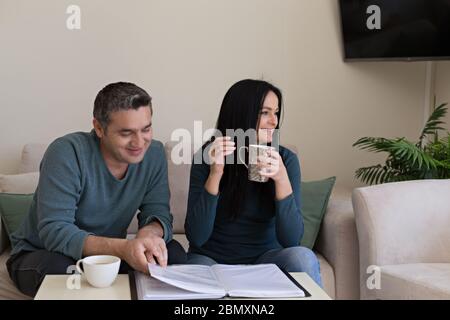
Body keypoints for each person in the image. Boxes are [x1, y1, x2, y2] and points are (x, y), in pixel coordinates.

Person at [7, 82, 186, 297]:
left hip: (107, 257)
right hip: (44, 253)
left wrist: (148, 237)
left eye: (146, 129)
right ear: (99, 128)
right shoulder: (66, 153)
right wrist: (123, 249)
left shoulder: (154, 153)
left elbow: (158, 214)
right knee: (64, 271)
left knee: (172, 254)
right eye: (126, 133)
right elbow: (55, 232)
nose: (139, 142)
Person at [184, 79, 322, 286]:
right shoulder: (208, 156)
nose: (274, 121)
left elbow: (291, 240)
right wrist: (216, 173)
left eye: (276, 113)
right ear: (242, 114)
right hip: (211, 259)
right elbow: (196, 237)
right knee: (193, 271)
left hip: (265, 259)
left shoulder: (286, 159)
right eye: (265, 112)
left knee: (302, 257)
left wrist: (282, 179)